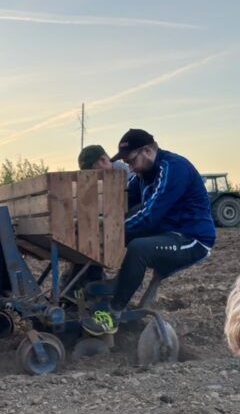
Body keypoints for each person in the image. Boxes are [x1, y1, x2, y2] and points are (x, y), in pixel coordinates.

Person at [82, 128, 215, 335]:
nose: (130, 167)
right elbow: (122, 200)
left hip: (190, 239)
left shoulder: (173, 168)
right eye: (126, 163)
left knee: (138, 248)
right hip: (166, 233)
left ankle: (112, 315)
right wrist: (94, 222)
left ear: (147, 151)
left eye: (131, 161)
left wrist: (111, 235)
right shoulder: (143, 173)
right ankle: (107, 286)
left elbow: (149, 217)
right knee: (127, 224)